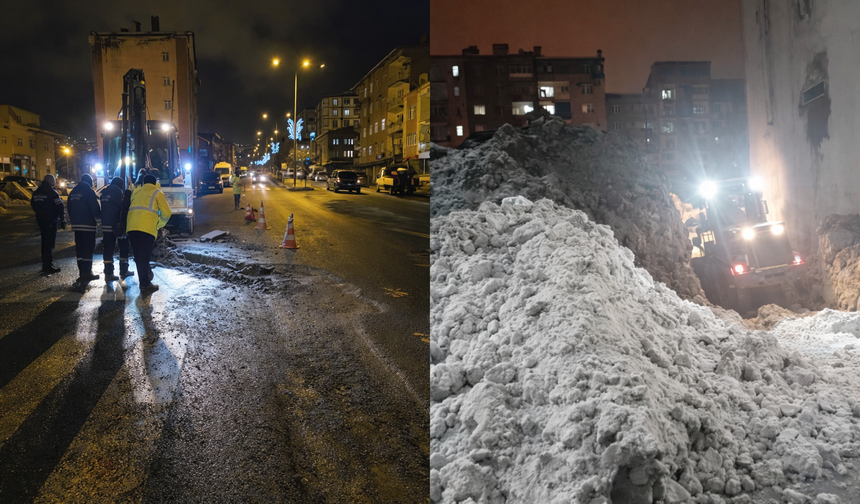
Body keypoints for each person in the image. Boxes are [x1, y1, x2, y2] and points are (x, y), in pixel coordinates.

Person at [127, 173, 171, 293]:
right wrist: (158, 225)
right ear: (155, 182)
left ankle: (144, 281)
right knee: (144, 256)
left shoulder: (136, 191)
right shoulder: (157, 193)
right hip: (146, 229)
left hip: (131, 227)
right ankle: (145, 284)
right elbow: (167, 213)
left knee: (138, 256)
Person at [67, 173, 102, 282]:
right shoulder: (89, 191)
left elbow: (69, 207)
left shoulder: (73, 192)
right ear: (90, 183)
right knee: (88, 248)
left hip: (76, 225)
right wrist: (100, 216)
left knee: (80, 249)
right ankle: (87, 272)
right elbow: (94, 208)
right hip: (88, 225)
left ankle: (82, 271)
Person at [30, 174, 66, 274]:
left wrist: (39, 213)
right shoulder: (52, 192)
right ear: (51, 182)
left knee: (44, 241)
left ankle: (45, 264)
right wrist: (62, 219)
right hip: (51, 220)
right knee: (49, 243)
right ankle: (48, 265)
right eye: (54, 181)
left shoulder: (37, 192)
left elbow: (33, 204)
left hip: (40, 220)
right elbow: (60, 206)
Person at [99, 177, 131, 280]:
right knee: (123, 247)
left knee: (108, 249)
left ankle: (108, 273)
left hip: (105, 225)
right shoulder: (118, 192)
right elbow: (121, 208)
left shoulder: (104, 193)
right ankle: (124, 270)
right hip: (116, 225)